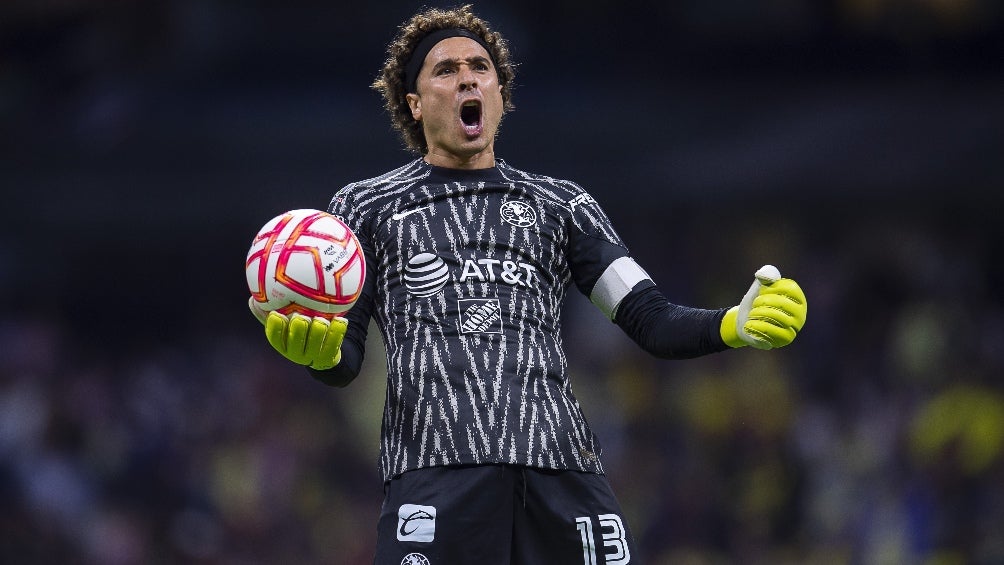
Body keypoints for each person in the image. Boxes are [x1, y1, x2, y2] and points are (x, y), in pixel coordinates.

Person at [250, 5, 807, 564]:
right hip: (436, 472)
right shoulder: (367, 206)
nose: (467, 76)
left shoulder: (561, 205)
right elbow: (345, 358)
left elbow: (650, 318)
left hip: (563, 471)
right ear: (414, 104)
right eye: (445, 70)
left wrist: (731, 323)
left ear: (498, 93)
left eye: (480, 66)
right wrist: (317, 354)